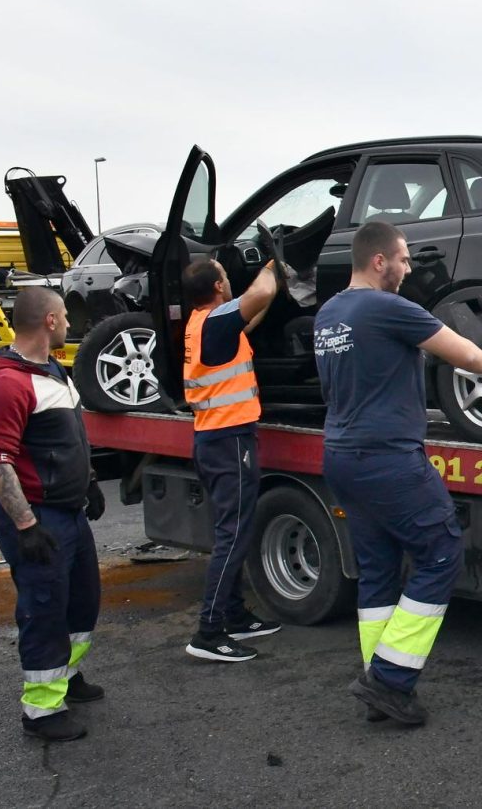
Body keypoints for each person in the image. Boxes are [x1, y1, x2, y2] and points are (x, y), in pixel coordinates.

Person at [315, 221, 482, 726]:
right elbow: (468, 356)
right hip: (388, 459)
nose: (408, 268)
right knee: (441, 550)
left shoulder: (329, 314)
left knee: (377, 569)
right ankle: (390, 680)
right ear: (379, 261)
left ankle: (378, 681)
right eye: (403, 259)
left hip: (341, 456)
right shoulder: (389, 308)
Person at [0, 287, 106, 742]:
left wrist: (90, 481)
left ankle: (66, 677)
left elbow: (71, 436)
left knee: (81, 603)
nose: (71, 325)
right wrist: (26, 527)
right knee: (44, 610)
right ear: (50, 322)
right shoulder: (7, 382)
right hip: (38, 520)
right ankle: (40, 712)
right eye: (65, 317)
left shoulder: (52, 371)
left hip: (68, 513)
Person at [181, 257, 283, 662]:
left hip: (214, 438)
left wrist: (268, 294)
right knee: (233, 535)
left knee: (232, 531)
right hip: (227, 440)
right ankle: (208, 631)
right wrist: (273, 266)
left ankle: (235, 614)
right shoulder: (216, 321)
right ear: (220, 287)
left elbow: (252, 313)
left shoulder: (202, 322)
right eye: (225, 275)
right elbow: (260, 293)